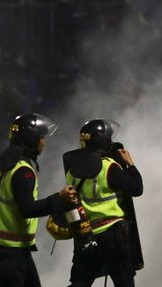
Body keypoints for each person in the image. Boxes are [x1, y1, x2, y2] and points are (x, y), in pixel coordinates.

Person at [0, 113, 77, 287]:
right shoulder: (23, 171)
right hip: (12, 249)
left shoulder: (7, 163)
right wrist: (59, 198)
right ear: (32, 140)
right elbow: (28, 209)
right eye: (42, 137)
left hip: (10, 247)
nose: (44, 142)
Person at [63, 119, 144, 287]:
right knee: (124, 282)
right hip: (112, 235)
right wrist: (130, 164)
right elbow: (136, 189)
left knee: (80, 283)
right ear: (103, 140)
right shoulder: (109, 167)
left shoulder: (72, 170)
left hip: (86, 235)